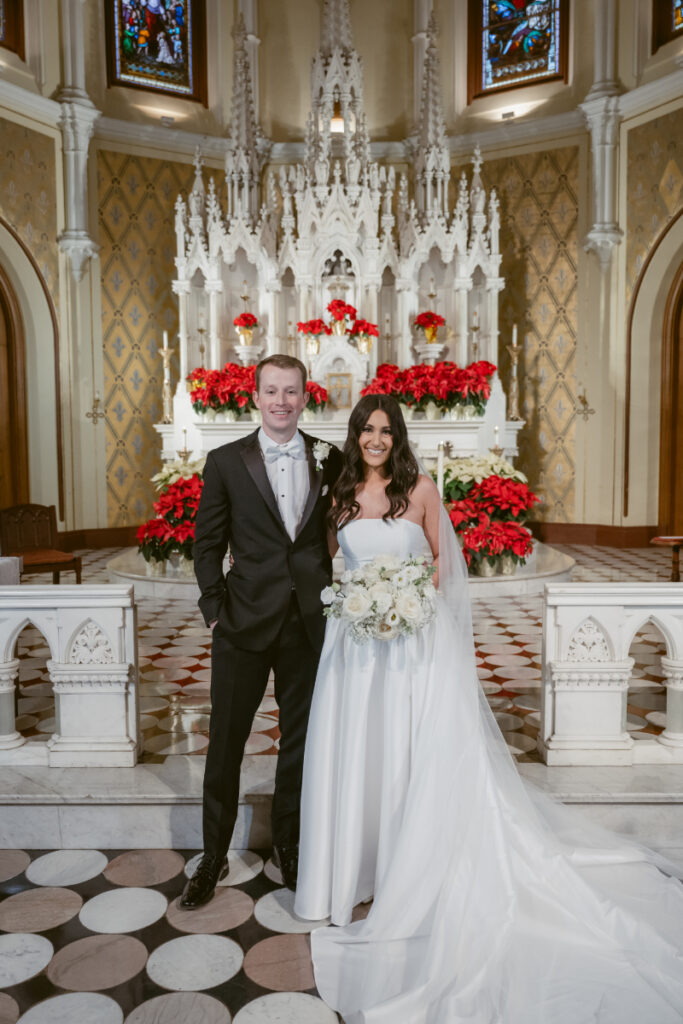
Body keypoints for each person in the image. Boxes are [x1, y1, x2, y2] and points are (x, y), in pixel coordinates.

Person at [295, 393, 683, 1023]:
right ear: (353, 435)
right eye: (366, 430)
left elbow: (444, 569)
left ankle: (410, 869)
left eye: (385, 430)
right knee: (359, 754)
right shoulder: (337, 496)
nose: (374, 440)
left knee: (411, 753)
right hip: (357, 651)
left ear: (397, 436)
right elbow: (335, 566)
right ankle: (355, 868)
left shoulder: (420, 490)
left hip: (414, 645)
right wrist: (360, 602)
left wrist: (413, 612)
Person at [181, 354, 342, 909]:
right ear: (256, 396)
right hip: (242, 623)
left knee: (298, 745)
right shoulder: (226, 461)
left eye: (291, 392)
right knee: (225, 742)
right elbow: (206, 543)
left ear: (305, 396)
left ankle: (288, 848)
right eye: (271, 391)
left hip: (307, 624)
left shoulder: (331, 458)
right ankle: (212, 856)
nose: (281, 401)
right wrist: (213, 608)